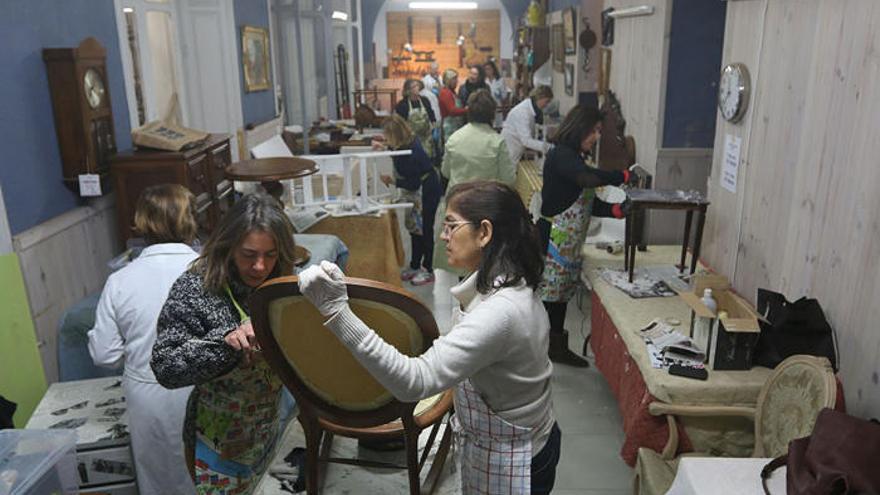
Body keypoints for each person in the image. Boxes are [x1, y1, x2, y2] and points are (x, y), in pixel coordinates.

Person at [298, 180, 562, 495]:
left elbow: (414, 381)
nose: (442, 236)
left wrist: (338, 313)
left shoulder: (500, 312)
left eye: (451, 226)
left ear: (484, 233)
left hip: (518, 457)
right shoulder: (502, 282)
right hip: (506, 439)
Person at [150, 193, 297, 495]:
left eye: (269, 255)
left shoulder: (280, 280)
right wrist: (225, 343)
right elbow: (166, 368)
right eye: (248, 254)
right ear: (228, 245)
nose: (259, 266)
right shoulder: (197, 287)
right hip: (216, 439)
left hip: (265, 427)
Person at [88, 184, 199, 495]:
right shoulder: (209, 273)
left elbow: (104, 355)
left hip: (148, 392)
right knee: (210, 474)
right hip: (204, 388)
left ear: (141, 223)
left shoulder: (120, 280)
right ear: (190, 220)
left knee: (159, 480)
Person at [537, 105, 635, 367]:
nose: (597, 137)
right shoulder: (562, 156)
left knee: (559, 297)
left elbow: (587, 201)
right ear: (579, 128)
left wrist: (616, 210)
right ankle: (541, 350)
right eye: (594, 131)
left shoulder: (577, 158)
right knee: (549, 298)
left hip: (569, 241)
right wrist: (621, 176)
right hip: (552, 238)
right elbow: (588, 181)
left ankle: (554, 348)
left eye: (599, 131)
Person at [434, 90, 515, 273]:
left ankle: (462, 300)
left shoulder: (455, 138)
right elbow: (509, 179)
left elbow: (446, 171)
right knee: (483, 263)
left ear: (469, 110)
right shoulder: (496, 141)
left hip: (457, 206)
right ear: (491, 113)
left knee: (460, 263)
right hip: (486, 209)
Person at [374, 114, 442, 286]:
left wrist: (392, 181)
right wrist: (384, 148)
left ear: (395, 134)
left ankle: (428, 269)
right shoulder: (406, 143)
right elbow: (397, 154)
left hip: (426, 188)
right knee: (414, 228)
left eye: (387, 136)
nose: (385, 138)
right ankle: (414, 265)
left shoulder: (411, 151)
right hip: (419, 187)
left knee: (424, 228)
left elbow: (412, 182)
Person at [501, 85, 554, 164]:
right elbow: (526, 141)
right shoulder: (523, 112)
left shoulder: (532, 110)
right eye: (547, 101)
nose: (547, 105)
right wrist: (549, 147)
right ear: (540, 97)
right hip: (509, 152)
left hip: (515, 151)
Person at [395, 79, 437, 159]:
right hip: (411, 140)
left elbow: (431, 114)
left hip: (426, 139)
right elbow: (399, 123)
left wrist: (434, 126)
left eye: (418, 86)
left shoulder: (425, 100)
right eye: (414, 86)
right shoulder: (402, 105)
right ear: (408, 90)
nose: (417, 88)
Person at [438, 68, 468, 145]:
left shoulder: (452, 92)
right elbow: (452, 111)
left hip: (455, 126)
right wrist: (467, 110)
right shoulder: (446, 93)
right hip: (449, 127)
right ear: (449, 80)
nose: (456, 81)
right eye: (454, 79)